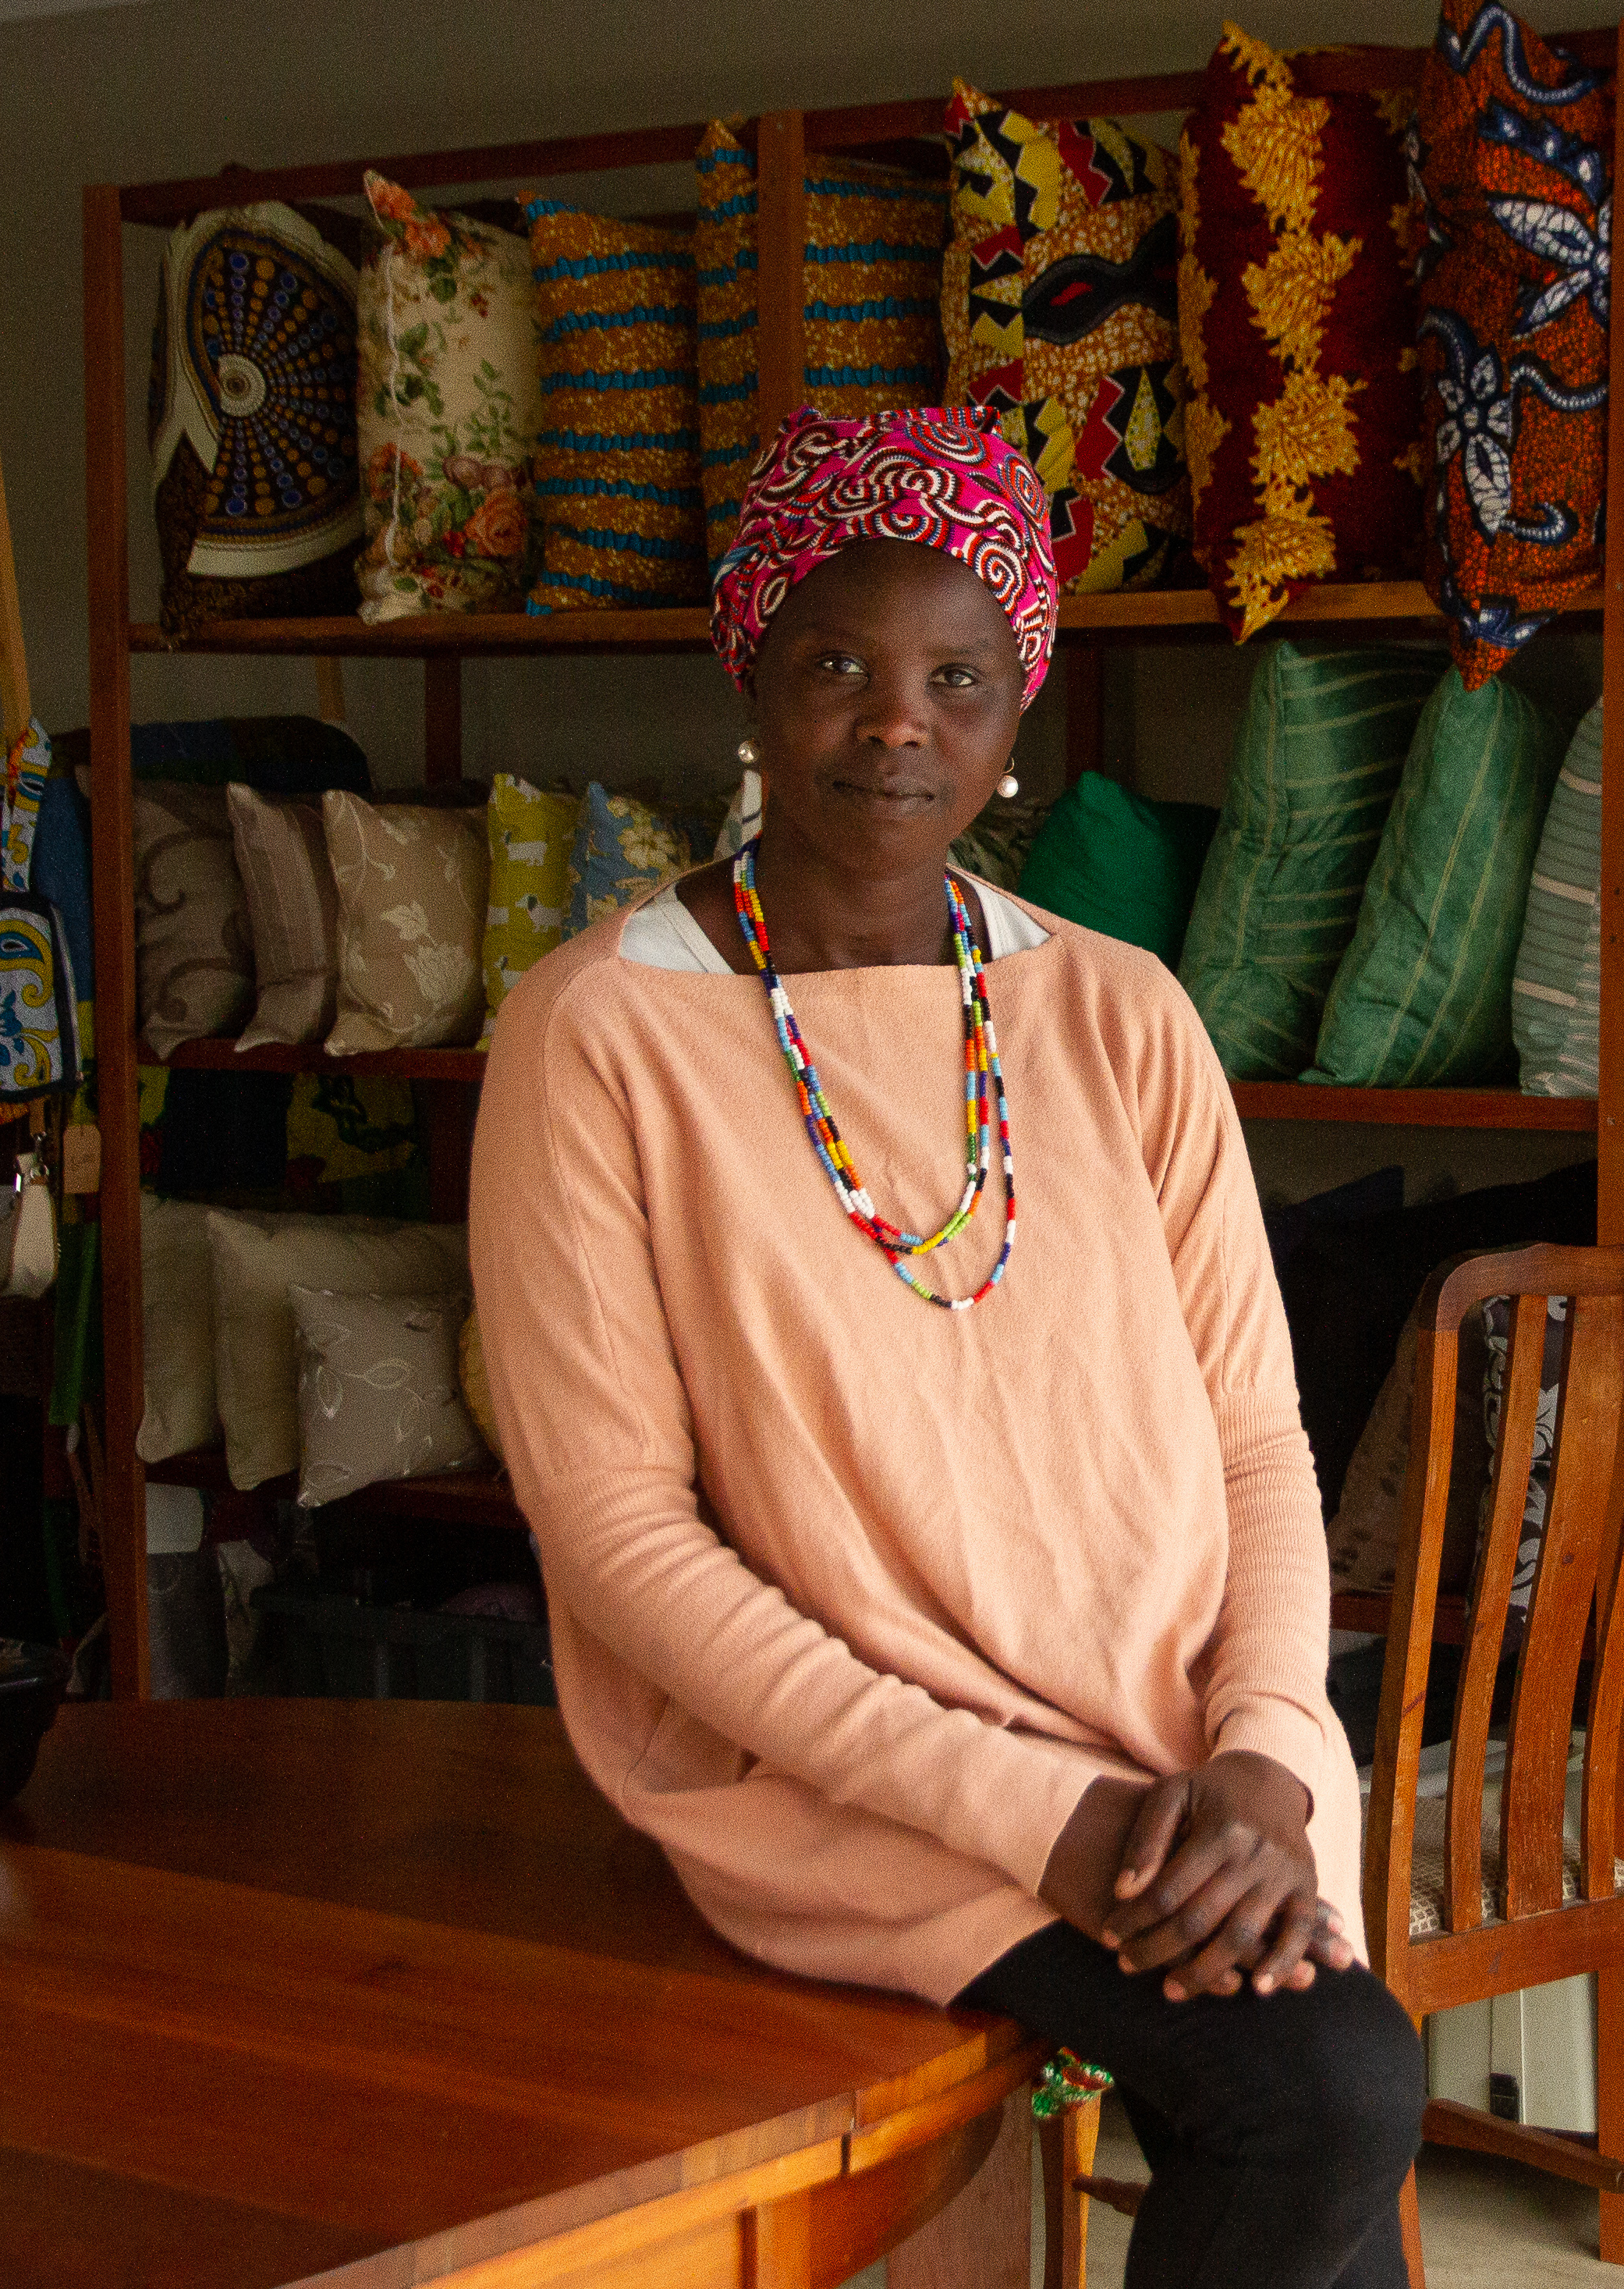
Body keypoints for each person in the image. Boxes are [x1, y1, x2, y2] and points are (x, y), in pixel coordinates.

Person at [472, 406, 1424, 2289]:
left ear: (1016, 716)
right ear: (752, 671)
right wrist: (1038, 1817)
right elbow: (616, 1536)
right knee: (1317, 2092)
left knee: (1317, 2106)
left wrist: (1270, 1763)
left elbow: (1253, 1440)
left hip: (1175, 1761)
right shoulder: (598, 1039)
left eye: (955, 678)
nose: (895, 723)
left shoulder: (1117, 1012)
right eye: (836, 664)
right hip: (846, 1785)